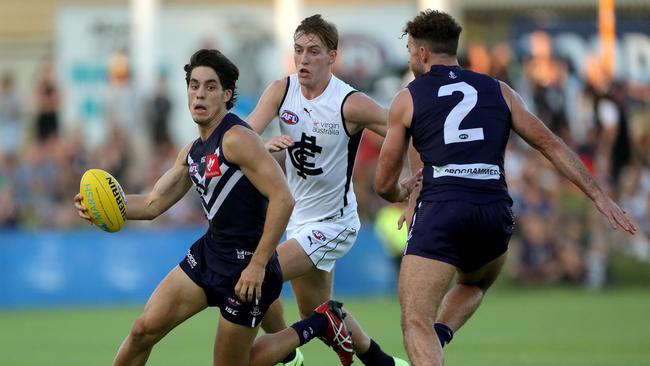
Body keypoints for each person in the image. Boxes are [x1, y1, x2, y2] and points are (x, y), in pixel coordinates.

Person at [374, 10, 637, 366]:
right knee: (475, 283)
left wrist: (403, 194)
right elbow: (551, 144)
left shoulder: (407, 97)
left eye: (409, 51)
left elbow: (384, 182)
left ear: (422, 52)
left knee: (414, 321)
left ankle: (426, 347)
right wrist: (599, 196)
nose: (409, 58)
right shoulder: (500, 90)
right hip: (494, 210)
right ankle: (435, 343)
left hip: (443, 209)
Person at [74, 49, 352, 366]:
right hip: (210, 255)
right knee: (142, 331)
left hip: (247, 267)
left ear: (227, 94)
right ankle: (295, 349)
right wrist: (101, 208)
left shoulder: (238, 139)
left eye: (210, 86)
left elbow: (283, 199)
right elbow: (152, 204)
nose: (199, 94)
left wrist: (258, 265)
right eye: (194, 85)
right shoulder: (192, 151)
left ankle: (318, 323)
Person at [246, 14, 408, 366]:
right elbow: (242, 134)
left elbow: (402, 129)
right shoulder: (281, 90)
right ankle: (383, 362)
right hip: (298, 220)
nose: (303, 59)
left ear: (333, 56)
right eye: (299, 50)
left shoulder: (349, 103)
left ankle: (288, 357)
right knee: (317, 311)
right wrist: (259, 144)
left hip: (334, 223)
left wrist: (411, 181)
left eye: (313, 52)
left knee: (259, 273)